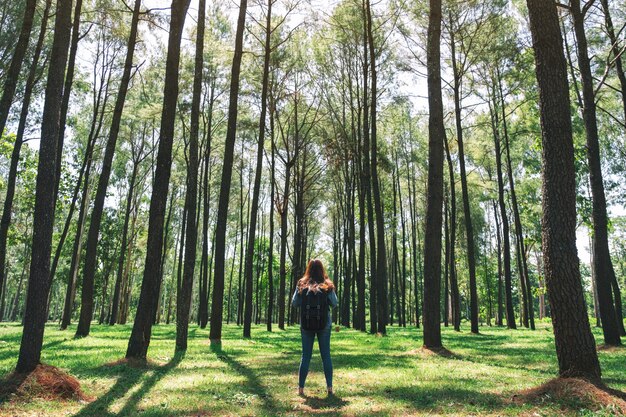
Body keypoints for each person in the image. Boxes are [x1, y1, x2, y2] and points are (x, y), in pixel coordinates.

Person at [291, 259, 338, 396]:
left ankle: (301, 389)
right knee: (326, 356)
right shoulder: (327, 284)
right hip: (324, 324)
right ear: (322, 269)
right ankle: (329, 388)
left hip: (306, 325)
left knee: (305, 356)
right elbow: (334, 303)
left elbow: (295, 303)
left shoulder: (302, 283)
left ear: (308, 269)